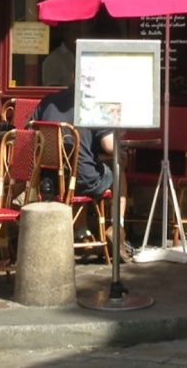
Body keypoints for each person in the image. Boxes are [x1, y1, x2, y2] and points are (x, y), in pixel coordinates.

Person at [30, 85, 128, 257]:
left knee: (78, 169)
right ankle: (116, 226)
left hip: (50, 182)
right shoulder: (95, 105)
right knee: (117, 168)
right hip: (83, 180)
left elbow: (30, 135)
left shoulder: (48, 101)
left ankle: (82, 233)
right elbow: (110, 146)